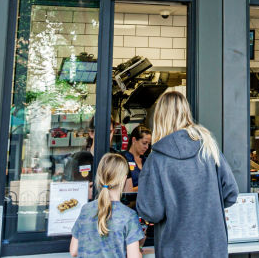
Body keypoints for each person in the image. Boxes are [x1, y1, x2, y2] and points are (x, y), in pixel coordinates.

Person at [136, 89, 237, 258]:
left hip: (174, 249)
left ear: (159, 117)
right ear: (186, 113)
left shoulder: (157, 158)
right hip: (213, 248)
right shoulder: (208, 148)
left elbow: (151, 211)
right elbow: (231, 194)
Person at [70, 153, 142, 258]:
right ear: (123, 179)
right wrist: (138, 251)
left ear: (99, 177)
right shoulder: (128, 215)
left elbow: (73, 251)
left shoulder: (86, 209)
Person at [122, 125, 151, 192]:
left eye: (148, 144)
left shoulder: (147, 161)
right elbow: (126, 191)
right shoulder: (123, 159)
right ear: (134, 140)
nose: (147, 147)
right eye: (144, 143)